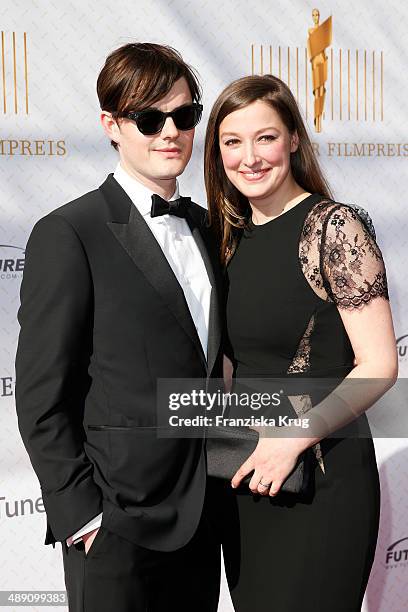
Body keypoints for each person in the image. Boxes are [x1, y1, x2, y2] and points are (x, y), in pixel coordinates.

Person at [15, 42, 229, 612]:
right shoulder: (70, 232)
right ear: (111, 125)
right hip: (115, 523)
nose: (170, 132)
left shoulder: (210, 230)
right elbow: (40, 395)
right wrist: (79, 513)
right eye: (148, 118)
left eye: (184, 116)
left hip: (205, 514)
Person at [204, 74, 398, 611]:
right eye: (232, 142)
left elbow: (379, 364)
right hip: (247, 481)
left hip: (322, 476)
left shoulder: (333, 230)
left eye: (265, 137)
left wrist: (291, 438)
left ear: (293, 138)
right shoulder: (227, 238)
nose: (250, 157)